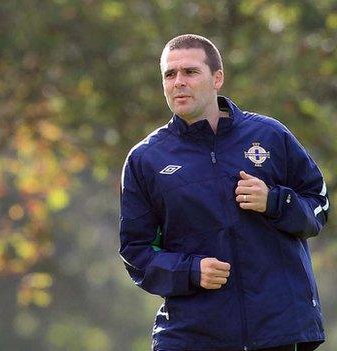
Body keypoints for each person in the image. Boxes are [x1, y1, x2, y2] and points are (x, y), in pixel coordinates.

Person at [118, 34, 329, 351]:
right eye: (170, 74)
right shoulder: (146, 159)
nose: (178, 82)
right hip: (191, 336)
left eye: (190, 72)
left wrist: (273, 201)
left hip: (276, 331)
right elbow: (136, 252)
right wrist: (190, 270)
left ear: (217, 78)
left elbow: (319, 207)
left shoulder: (271, 136)